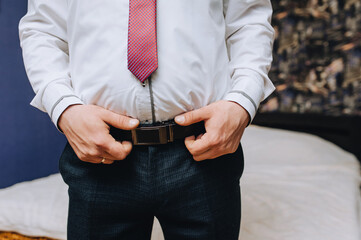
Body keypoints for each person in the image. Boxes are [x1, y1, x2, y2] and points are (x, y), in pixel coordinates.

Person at [19, 0, 275, 239]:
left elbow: (248, 21)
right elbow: (43, 31)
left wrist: (241, 102)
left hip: (203, 150)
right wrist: (65, 109)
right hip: (102, 154)